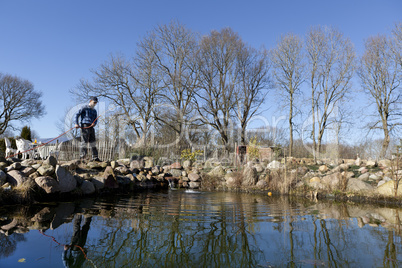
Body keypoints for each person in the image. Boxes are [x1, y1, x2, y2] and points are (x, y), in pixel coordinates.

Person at [74, 96, 100, 161]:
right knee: (84, 142)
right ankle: (82, 158)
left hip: (91, 127)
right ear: (90, 101)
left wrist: (94, 123)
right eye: (94, 102)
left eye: (96, 103)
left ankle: (95, 158)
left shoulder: (94, 111)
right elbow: (77, 115)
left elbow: (95, 119)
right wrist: (76, 123)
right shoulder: (84, 107)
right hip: (85, 125)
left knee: (93, 142)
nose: (95, 104)